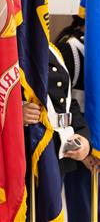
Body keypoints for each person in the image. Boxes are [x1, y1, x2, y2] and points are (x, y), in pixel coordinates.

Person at [23, 44, 91, 216]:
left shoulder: (51, 48)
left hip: (56, 150)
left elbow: (67, 101)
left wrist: (83, 136)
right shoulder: (5, 45)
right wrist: (12, 113)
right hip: (25, 150)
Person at [56, 14, 98, 221]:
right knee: (84, 212)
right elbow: (62, 104)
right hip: (82, 149)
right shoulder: (71, 49)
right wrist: (84, 147)